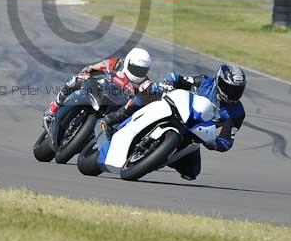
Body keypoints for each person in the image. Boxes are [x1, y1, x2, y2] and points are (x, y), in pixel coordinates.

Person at [99, 63, 247, 181]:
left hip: (193, 133)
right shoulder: (205, 83)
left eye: (237, 90)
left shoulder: (236, 112)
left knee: (192, 172)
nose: (233, 94)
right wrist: (167, 83)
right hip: (176, 111)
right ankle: (118, 116)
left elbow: (227, 140)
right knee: (153, 90)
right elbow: (178, 78)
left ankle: (156, 156)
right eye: (229, 88)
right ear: (219, 81)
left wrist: (214, 143)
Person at [43, 47, 152, 132]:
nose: (138, 73)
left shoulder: (145, 83)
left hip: (116, 107)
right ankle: (53, 108)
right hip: (101, 90)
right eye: (135, 68)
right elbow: (92, 69)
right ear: (128, 61)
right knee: (76, 80)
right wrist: (88, 73)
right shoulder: (118, 63)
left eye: (142, 70)